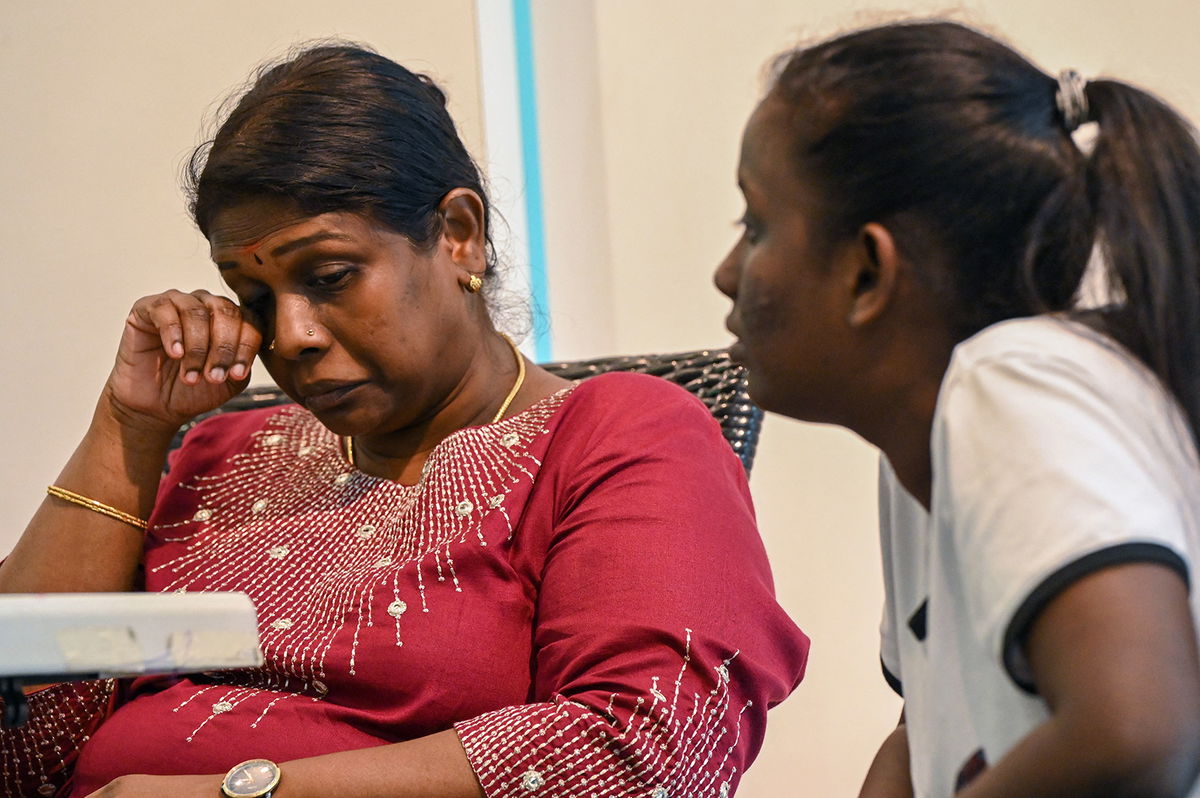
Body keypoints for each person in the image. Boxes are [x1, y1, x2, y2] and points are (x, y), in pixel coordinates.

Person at [0, 44, 809, 797]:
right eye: (253, 298)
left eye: (329, 276)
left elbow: (648, 749)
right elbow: (19, 749)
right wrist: (127, 427)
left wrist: (236, 792)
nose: (291, 335)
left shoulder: (615, 435)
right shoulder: (221, 453)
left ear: (459, 236)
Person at [714, 19, 1200, 798]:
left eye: (757, 224)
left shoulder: (1010, 380)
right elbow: (925, 738)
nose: (726, 273)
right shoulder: (922, 447)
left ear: (868, 272)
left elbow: (1138, 731)